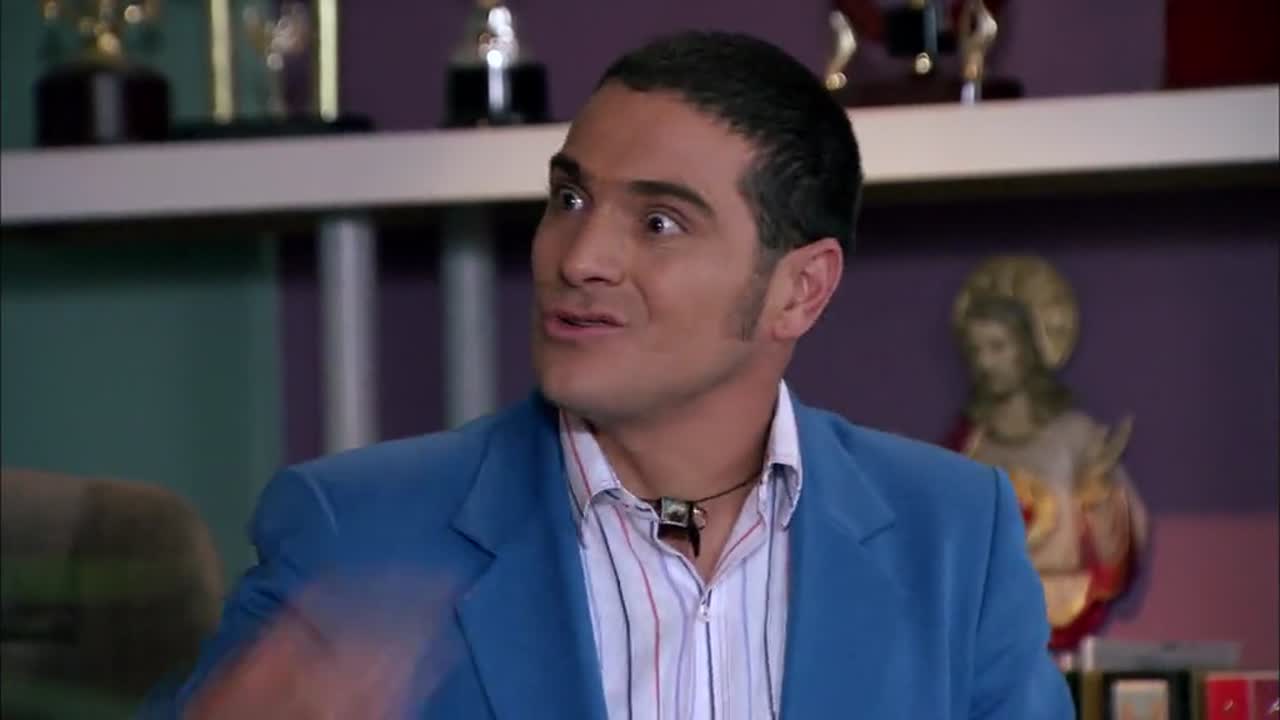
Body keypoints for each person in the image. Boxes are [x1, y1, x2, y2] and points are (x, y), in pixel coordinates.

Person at [149, 31, 1074, 720]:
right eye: (569, 198)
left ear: (799, 291)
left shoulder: (954, 537)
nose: (579, 256)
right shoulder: (356, 530)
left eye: (660, 222)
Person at [945, 260, 1149, 655]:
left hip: (1063, 598)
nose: (985, 363)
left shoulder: (1076, 436)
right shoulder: (969, 445)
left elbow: (1116, 549)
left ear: (1028, 347)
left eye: (998, 347)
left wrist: (1098, 490)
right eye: (976, 350)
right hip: (993, 614)